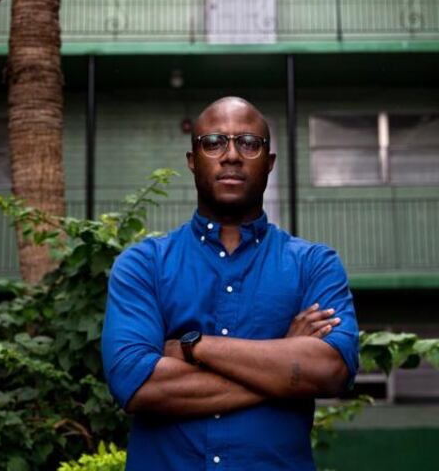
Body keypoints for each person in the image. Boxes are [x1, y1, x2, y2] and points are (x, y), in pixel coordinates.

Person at [101, 96, 360, 470]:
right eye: (214, 142)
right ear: (193, 160)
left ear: (269, 163)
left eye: (249, 143)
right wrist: (283, 359)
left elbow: (331, 370)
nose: (232, 155)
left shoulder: (313, 264)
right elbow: (137, 385)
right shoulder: (144, 265)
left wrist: (195, 347)